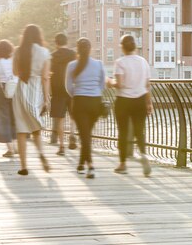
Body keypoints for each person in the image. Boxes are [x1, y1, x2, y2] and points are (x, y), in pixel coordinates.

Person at [109, 35, 153, 176]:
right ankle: (143, 154)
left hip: (123, 101)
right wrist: (149, 103)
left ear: (122, 47)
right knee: (140, 131)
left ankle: (122, 164)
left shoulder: (120, 62)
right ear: (135, 46)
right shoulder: (143, 62)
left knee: (122, 132)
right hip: (140, 99)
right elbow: (147, 85)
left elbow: (120, 84)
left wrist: (110, 82)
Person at [12, 24, 51, 176]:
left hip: (21, 89)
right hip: (36, 91)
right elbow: (46, 77)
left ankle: (23, 167)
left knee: (21, 130)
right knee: (36, 128)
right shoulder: (45, 53)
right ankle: (41, 153)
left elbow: (15, 72)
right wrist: (47, 99)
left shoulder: (18, 51)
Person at [65, 38, 106, 179]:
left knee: (85, 135)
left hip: (80, 102)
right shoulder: (99, 64)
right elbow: (102, 85)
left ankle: (91, 167)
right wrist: (94, 93)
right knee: (86, 134)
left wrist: (77, 94)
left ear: (77, 49)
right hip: (95, 102)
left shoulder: (71, 65)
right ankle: (81, 163)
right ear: (90, 49)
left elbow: (68, 87)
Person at [50, 33, 77, 155]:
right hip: (71, 89)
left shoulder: (52, 56)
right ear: (66, 42)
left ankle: (61, 146)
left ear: (56, 43)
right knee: (73, 115)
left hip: (57, 91)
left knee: (60, 119)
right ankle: (72, 134)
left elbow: (49, 74)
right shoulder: (72, 55)